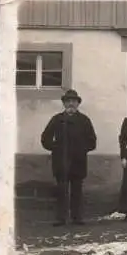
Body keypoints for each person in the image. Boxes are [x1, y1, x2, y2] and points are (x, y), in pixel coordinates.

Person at [41, 89, 97, 226]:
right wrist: (55, 148)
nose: (71, 104)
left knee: (77, 190)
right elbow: (45, 138)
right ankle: (61, 218)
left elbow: (92, 141)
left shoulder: (84, 120)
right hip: (61, 161)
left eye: (74, 101)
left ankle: (77, 218)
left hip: (78, 161)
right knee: (61, 190)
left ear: (78, 104)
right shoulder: (57, 119)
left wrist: (82, 149)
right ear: (64, 104)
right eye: (68, 101)